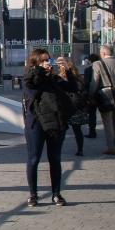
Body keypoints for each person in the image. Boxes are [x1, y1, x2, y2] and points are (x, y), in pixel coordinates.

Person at [21, 49, 75, 206]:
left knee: (55, 159)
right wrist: (40, 71)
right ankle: (33, 194)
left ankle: (56, 194)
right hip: (35, 123)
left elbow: (72, 87)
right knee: (34, 159)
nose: (48, 64)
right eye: (43, 61)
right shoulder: (29, 79)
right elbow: (32, 92)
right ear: (36, 63)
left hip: (55, 122)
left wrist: (68, 70)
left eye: (49, 60)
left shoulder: (54, 80)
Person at [89, 45, 115, 155]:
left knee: (108, 122)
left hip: (106, 97)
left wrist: (91, 95)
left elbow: (95, 82)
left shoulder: (97, 64)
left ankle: (111, 147)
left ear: (103, 53)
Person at [56, 56, 88, 157]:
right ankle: (80, 149)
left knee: (61, 129)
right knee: (77, 130)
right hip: (77, 107)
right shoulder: (79, 78)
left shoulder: (61, 79)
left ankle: (57, 149)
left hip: (66, 107)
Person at [82, 53, 100, 138]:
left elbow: (86, 84)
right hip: (103, 93)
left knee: (92, 114)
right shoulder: (103, 69)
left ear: (90, 60)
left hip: (92, 95)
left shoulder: (88, 70)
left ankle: (92, 131)